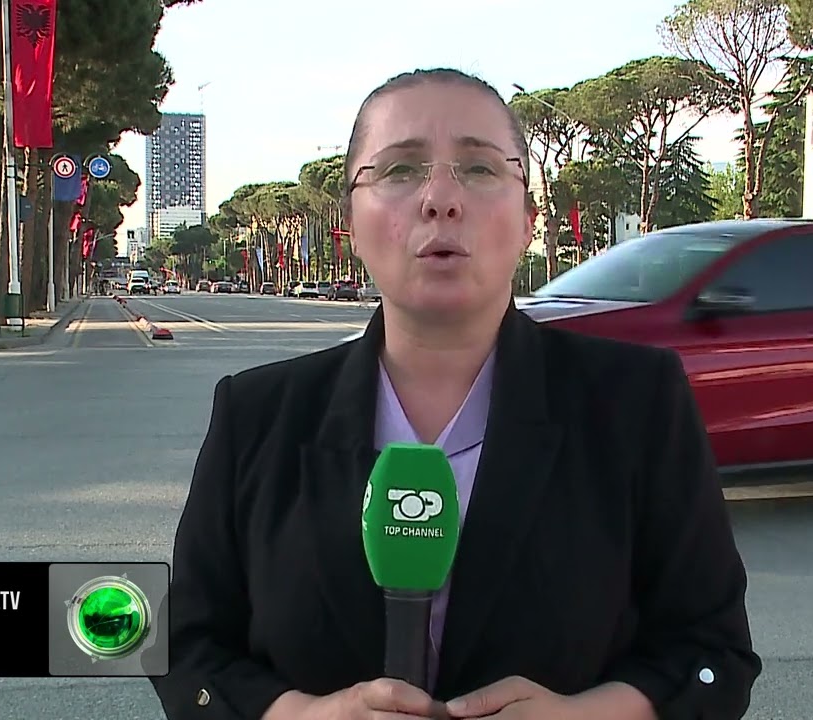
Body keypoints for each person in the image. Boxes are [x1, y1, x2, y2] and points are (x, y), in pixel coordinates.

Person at [151, 68, 760, 720]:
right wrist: (297, 715)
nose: (440, 199)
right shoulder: (255, 415)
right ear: (349, 222)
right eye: (399, 170)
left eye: (479, 168)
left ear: (528, 220)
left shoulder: (638, 403)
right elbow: (186, 646)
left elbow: (711, 652)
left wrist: (588, 715)